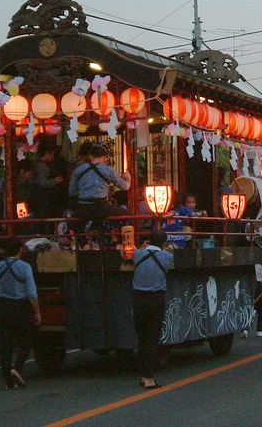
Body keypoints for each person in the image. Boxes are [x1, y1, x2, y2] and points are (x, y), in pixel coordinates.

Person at [0, 237, 40, 389]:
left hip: (4, 306)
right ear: (20, 250)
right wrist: (37, 312)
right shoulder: (24, 267)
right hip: (21, 307)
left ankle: (9, 381)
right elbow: (31, 292)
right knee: (25, 342)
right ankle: (16, 369)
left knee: (6, 346)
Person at [133, 230, 173, 389]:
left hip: (138, 298)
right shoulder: (166, 257)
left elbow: (129, 252)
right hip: (156, 299)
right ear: (164, 243)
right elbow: (171, 257)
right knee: (151, 339)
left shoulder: (138, 254)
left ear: (149, 240)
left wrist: (142, 247)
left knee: (142, 338)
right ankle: (149, 378)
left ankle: (143, 375)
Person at [69, 143, 132, 222]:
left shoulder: (78, 170)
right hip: (101, 208)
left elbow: (71, 191)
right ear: (104, 157)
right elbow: (125, 187)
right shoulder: (108, 170)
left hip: (83, 209)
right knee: (129, 215)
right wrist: (128, 179)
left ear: (91, 155)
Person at [29, 142, 65, 219]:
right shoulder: (42, 167)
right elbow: (42, 183)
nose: (53, 156)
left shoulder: (37, 164)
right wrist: (55, 181)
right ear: (47, 153)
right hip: (40, 198)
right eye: (52, 154)